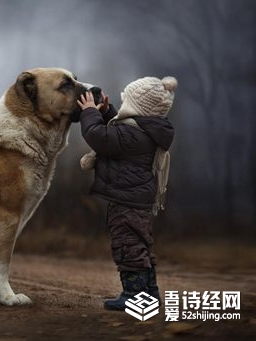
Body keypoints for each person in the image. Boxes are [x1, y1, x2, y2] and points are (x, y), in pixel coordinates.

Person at [77, 76, 177, 311]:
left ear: (137, 107)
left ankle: (133, 295)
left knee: (127, 245)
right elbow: (118, 130)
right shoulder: (145, 130)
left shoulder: (132, 136)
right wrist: (105, 112)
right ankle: (150, 293)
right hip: (137, 199)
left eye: (126, 102)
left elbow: (98, 136)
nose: (122, 107)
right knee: (140, 244)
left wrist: (89, 112)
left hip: (126, 201)